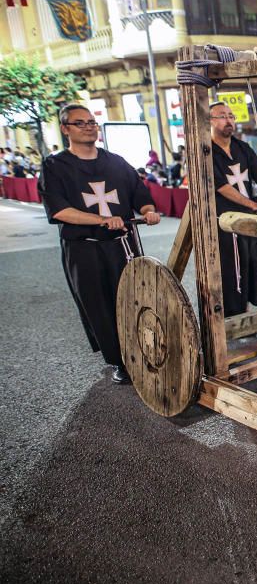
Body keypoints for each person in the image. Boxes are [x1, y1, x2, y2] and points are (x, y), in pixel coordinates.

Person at [38, 104, 161, 385]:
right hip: (85, 248)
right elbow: (58, 210)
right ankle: (120, 360)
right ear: (65, 128)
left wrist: (148, 209)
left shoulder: (115, 161)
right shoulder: (55, 166)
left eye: (92, 122)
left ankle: (144, 349)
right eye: (80, 123)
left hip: (122, 245)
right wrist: (101, 219)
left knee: (135, 298)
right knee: (101, 304)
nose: (89, 127)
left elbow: (138, 192)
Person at [209, 101, 257, 317]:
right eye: (223, 116)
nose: (229, 120)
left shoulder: (242, 148)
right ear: (210, 121)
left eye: (231, 116)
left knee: (250, 262)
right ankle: (230, 313)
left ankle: (244, 309)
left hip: (249, 218)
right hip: (226, 220)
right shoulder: (206, 152)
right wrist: (253, 204)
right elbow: (222, 187)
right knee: (232, 267)